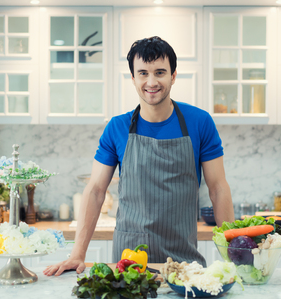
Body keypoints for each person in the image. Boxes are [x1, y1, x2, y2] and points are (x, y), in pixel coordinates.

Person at [43, 36, 234, 276]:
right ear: (133, 78)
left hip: (184, 260)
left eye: (160, 72)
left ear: (173, 76)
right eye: (143, 73)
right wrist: (77, 254)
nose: (151, 81)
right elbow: (95, 190)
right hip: (129, 261)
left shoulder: (200, 122)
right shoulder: (117, 127)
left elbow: (218, 188)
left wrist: (232, 255)